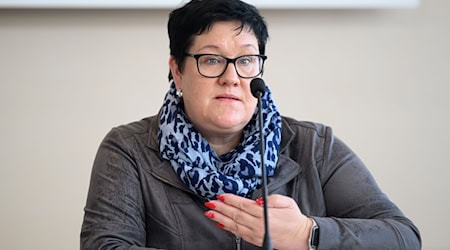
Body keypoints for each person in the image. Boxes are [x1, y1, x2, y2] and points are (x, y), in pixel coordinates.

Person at [80, 0, 421, 249]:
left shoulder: (314, 146)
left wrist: (308, 234)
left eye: (245, 60)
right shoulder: (128, 149)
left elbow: (402, 237)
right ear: (178, 71)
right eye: (211, 59)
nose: (231, 78)